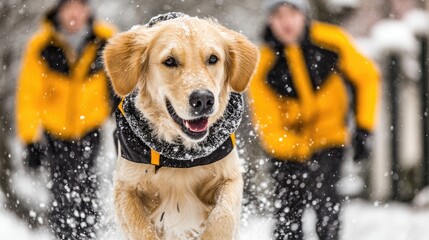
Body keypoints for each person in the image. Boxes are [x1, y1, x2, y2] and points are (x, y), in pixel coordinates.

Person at [248, 0, 379, 239]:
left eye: (292, 13)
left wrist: (364, 127)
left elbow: (367, 77)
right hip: (286, 152)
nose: (286, 22)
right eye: (278, 15)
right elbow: (268, 123)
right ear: (269, 20)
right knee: (287, 220)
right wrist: (298, 151)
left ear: (304, 15)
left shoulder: (333, 41)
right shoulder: (262, 65)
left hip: (330, 139)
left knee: (327, 208)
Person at [15, 0, 116, 239]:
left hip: (90, 129)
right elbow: (28, 96)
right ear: (58, 11)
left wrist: (120, 120)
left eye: (79, 7)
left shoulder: (106, 41)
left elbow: (117, 86)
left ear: (87, 10)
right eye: (67, 7)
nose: (74, 14)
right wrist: (30, 140)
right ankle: (62, 234)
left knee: (88, 189)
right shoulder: (41, 46)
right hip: (55, 132)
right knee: (61, 192)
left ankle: (88, 232)